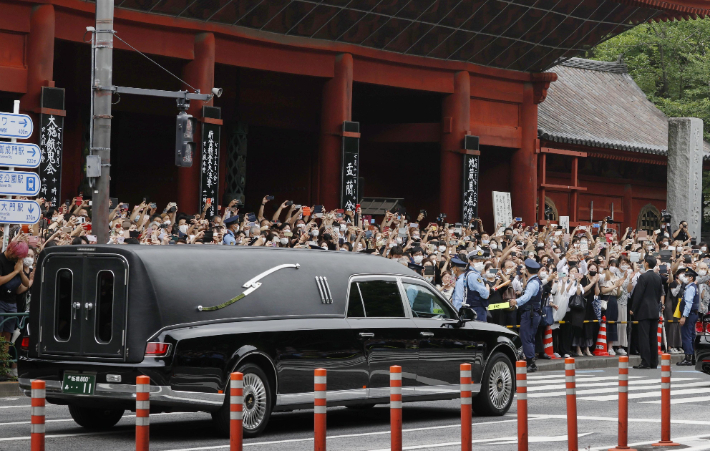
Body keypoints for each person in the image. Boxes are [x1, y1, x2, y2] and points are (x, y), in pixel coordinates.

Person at [630, 255, 664, 369]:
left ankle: (645, 362)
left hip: (644, 310)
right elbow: (659, 294)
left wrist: (633, 308)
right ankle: (654, 362)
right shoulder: (657, 277)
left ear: (646, 263)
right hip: (654, 309)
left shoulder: (643, 277)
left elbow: (638, 295)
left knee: (644, 337)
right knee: (653, 337)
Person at [510, 258, 543, 372]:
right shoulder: (535, 281)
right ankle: (531, 360)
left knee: (526, 337)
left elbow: (527, 296)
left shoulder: (533, 283)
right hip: (534, 313)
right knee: (530, 337)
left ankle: (530, 362)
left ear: (528, 270)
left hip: (530, 313)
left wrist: (516, 301)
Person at [677, 268, 699, 366]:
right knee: (691, 335)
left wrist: (684, 316)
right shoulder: (693, 287)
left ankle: (688, 358)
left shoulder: (690, 288)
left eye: (686, 276)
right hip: (693, 314)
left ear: (691, 278)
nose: (684, 277)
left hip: (689, 315)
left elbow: (688, 304)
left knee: (687, 336)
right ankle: (693, 357)